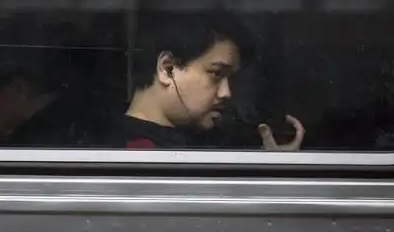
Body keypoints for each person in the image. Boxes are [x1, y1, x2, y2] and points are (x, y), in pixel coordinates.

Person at [112, 12, 304, 151]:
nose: (226, 92)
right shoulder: (140, 155)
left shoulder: (193, 144)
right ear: (167, 68)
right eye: (216, 73)